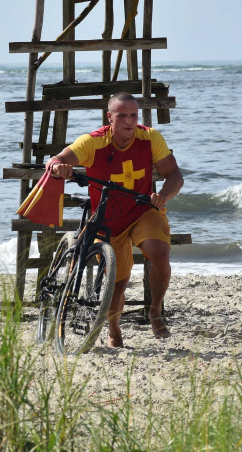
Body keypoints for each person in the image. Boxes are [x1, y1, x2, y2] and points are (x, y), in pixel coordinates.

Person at [47, 92, 183, 347]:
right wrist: (58, 167)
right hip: (109, 219)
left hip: (143, 210)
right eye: (122, 116)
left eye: (133, 115)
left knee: (160, 253)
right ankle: (113, 328)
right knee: (117, 283)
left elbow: (174, 175)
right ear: (109, 117)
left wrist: (163, 196)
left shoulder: (150, 138)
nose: (129, 121)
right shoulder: (93, 142)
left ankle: (155, 310)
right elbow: (58, 159)